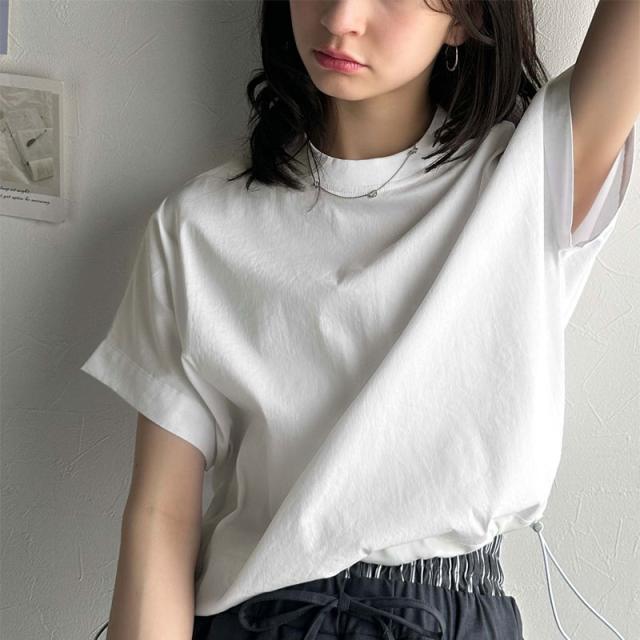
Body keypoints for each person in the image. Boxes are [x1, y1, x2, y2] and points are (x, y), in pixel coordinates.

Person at [83, 1, 638, 639]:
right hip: (258, 617)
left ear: (462, 18)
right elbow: (161, 517)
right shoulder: (198, 227)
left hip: (438, 617)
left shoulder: (527, 179)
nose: (341, 16)